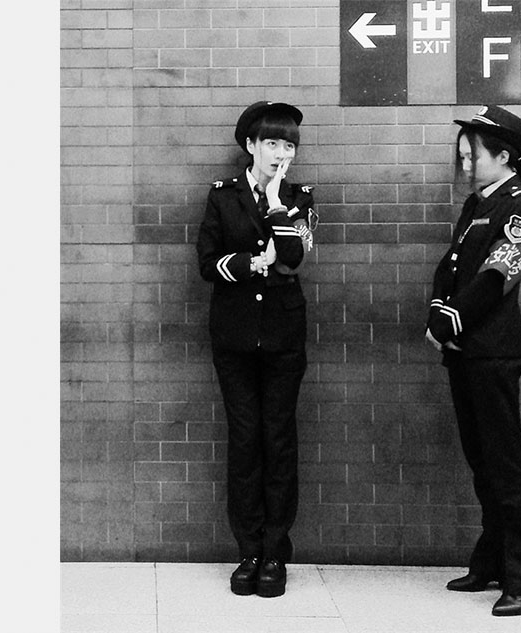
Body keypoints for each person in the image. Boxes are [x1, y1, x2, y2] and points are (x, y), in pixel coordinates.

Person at [425, 105, 521, 616]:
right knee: (482, 463)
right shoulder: (477, 204)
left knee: (506, 465)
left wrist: (451, 321)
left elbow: (498, 275)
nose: (464, 159)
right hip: (466, 353)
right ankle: (492, 558)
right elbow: (451, 266)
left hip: (492, 351)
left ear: (504, 155)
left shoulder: (516, 207)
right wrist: (438, 311)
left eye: (472, 152)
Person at [196, 101, 317, 598]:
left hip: (284, 339)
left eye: (288, 144)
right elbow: (208, 263)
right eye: (271, 143)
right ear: (250, 145)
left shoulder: (299, 198)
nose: (280, 153)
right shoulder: (221, 197)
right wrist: (251, 263)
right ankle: (247, 549)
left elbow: (295, 256)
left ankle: (274, 550)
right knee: (245, 440)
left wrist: (273, 202)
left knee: (279, 439)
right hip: (236, 338)